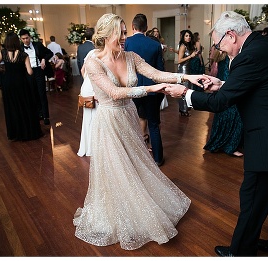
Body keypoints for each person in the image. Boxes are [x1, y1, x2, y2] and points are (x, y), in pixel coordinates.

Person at [164, 11, 268, 256]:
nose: (219, 48)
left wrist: (185, 94)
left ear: (231, 35)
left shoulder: (251, 56)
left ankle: (240, 252)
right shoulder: (266, 45)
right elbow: (261, 85)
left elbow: (220, 104)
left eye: (218, 43)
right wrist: (223, 85)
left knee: (253, 198)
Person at [73, 13, 207, 250]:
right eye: (120, 33)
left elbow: (157, 73)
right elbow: (114, 93)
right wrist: (153, 89)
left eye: (125, 31)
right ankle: (119, 215)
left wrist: (188, 77)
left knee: (135, 163)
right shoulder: (93, 62)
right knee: (117, 168)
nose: (125, 37)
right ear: (105, 35)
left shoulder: (131, 56)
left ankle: (141, 206)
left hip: (129, 117)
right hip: (109, 120)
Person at [124, 13, 167, 165]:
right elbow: (160, 71)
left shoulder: (127, 42)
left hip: (133, 89)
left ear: (132, 27)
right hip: (152, 90)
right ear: (146, 28)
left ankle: (136, 159)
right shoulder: (155, 45)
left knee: (134, 123)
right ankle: (158, 159)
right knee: (154, 125)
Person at [0, 33, 42, 141]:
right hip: (21, 83)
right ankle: (27, 132)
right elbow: (30, 71)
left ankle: (15, 133)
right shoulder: (23, 54)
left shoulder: (3, 53)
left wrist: (2, 70)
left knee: (12, 107)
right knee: (24, 106)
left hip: (8, 83)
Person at [203, 51, 243, 157]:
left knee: (224, 115)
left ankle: (221, 144)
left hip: (224, 90)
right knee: (234, 116)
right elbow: (227, 75)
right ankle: (230, 146)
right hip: (228, 90)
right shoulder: (227, 56)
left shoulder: (221, 54)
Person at [18, 29, 53, 125]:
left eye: (27, 38)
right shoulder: (20, 48)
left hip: (38, 70)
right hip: (27, 72)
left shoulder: (38, 45)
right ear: (21, 39)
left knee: (42, 93)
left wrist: (43, 60)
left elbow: (50, 53)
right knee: (32, 94)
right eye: (23, 39)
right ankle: (38, 114)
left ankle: (46, 116)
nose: (25, 40)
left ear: (30, 37)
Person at [76, 50, 97, 157]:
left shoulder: (90, 52)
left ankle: (87, 147)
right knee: (96, 118)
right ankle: (94, 147)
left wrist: (87, 81)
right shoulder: (101, 54)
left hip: (86, 86)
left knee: (88, 119)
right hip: (94, 87)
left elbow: (82, 69)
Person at [174, 29, 200, 116]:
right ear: (183, 37)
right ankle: (183, 109)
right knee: (184, 89)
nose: (188, 37)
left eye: (189, 36)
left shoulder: (187, 46)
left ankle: (184, 108)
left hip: (187, 68)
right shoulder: (183, 46)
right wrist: (190, 56)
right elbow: (179, 60)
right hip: (183, 70)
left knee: (187, 88)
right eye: (186, 36)